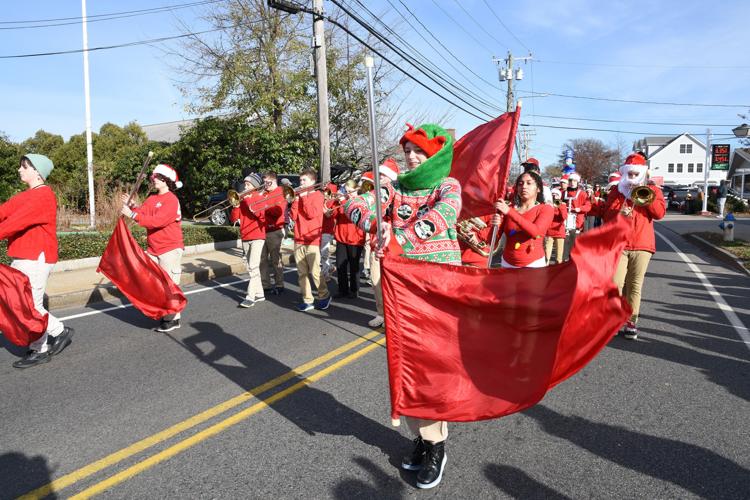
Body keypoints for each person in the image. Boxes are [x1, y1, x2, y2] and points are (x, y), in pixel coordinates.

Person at [346, 123, 461, 489]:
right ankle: (423, 437)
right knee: (405, 366)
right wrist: (372, 221)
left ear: (434, 155)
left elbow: (444, 215)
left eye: (419, 151)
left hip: (438, 288)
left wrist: (400, 236)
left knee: (432, 368)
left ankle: (436, 444)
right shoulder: (392, 189)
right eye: (407, 150)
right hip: (402, 289)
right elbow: (354, 205)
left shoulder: (448, 185)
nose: (411, 157)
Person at [0, 154, 74, 369]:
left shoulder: (44, 196)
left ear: (37, 172)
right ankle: (52, 335)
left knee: (30, 305)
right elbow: (4, 212)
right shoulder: (24, 196)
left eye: (24, 167)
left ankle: (45, 343)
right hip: (24, 256)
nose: (19, 170)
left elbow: (13, 223)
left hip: (36, 257)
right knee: (19, 302)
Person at [601, 153, 666, 339]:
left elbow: (659, 213)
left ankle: (631, 321)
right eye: (629, 174)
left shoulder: (653, 190)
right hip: (619, 244)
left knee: (635, 285)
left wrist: (646, 195)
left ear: (642, 174)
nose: (631, 177)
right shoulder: (616, 191)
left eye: (635, 174)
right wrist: (618, 213)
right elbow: (606, 217)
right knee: (615, 284)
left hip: (642, 244)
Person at [121, 163, 185, 332]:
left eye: (157, 177)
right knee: (154, 284)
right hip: (154, 248)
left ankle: (173, 318)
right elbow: (144, 213)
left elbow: (157, 221)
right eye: (154, 177)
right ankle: (164, 313)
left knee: (169, 285)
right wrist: (134, 207)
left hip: (170, 249)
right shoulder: (152, 198)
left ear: (166, 180)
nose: (154, 179)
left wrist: (133, 214)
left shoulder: (172, 200)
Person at [361, 159, 400, 327]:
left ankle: (396, 317)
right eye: (379, 175)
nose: (380, 178)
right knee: (376, 281)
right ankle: (381, 313)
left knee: (393, 286)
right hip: (376, 245)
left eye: (384, 175)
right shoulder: (375, 194)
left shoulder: (398, 194)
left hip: (395, 248)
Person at [494, 171, 554, 268]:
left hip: (533, 265)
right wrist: (495, 225)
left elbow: (536, 232)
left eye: (529, 183)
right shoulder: (509, 208)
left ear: (538, 188)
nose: (524, 186)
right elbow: (495, 240)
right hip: (507, 263)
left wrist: (509, 212)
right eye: (520, 184)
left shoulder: (546, 208)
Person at [290, 169, 331, 312]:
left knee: (315, 272)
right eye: (300, 180)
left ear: (313, 182)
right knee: (301, 273)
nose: (301, 183)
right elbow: (293, 217)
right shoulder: (299, 197)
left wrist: (304, 197)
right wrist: (295, 201)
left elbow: (311, 214)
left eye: (304, 180)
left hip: (312, 239)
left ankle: (324, 295)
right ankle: (308, 300)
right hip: (298, 239)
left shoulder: (318, 196)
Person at [229, 174, 266, 308]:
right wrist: (235, 206)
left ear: (255, 187)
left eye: (248, 185)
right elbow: (234, 219)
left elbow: (260, 216)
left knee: (253, 267)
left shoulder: (259, 198)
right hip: (245, 235)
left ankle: (250, 297)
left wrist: (249, 200)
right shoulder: (243, 200)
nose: (245, 187)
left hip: (257, 236)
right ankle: (260, 293)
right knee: (251, 266)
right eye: (245, 184)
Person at [331, 180, 365, 298]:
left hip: (355, 238)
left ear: (356, 190)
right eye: (347, 191)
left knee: (354, 266)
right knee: (340, 265)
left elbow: (351, 215)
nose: (348, 194)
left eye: (351, 191)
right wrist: (335, 202)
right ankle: (342, 290)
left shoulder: (360, 200)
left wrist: (344, 201)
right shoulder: (342, 200)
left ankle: (354, 290)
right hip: (341, 237)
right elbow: (333, 215)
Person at [259, 172, 286, 295]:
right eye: (264, 182)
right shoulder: (264, 193)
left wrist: (264, 205)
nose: (265, 185)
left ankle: (279, 284)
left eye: (268, 182)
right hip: (262, 230)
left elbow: (277, 212)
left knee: (276, 260)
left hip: (274, 230)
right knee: (262, 259)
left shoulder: (280, 192)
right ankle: (266, 285)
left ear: (274, 181)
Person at [544, 188, 568, 265]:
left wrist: (559, 205)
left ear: (559, 196)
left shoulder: (562, 205)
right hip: (549, 231)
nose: (554, 196)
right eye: (553, 194)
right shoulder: (548, 205)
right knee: (547, 254)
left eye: (556, 195)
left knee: (559, 256)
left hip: (559, 231)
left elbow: (564, 217)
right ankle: (545, 268)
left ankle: (558, 271)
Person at [320, 183, 338, 281]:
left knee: (324, 253)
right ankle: (331, 267)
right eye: (324, 191)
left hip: (327, 230)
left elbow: (328, 214)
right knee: (321, 253)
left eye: (328, 191)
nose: (325, 194)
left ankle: (326, 274)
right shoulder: (322, 200)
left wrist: (322, 204)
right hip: (318, 229)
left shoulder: (334, 203)